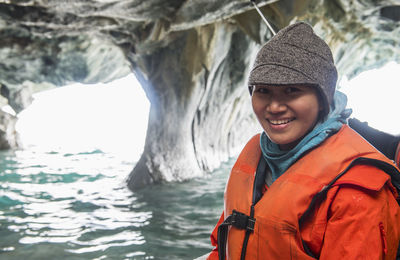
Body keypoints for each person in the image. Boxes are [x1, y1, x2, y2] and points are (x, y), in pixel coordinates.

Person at [206, 22, 400, 259]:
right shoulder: (257, 155)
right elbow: (222, 246)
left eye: (292, 91)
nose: (274, 107)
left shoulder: (356, 189)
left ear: (322, 99)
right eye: (263, 90)